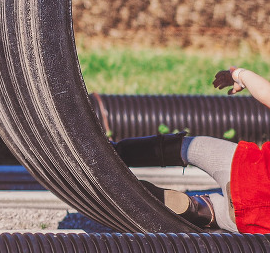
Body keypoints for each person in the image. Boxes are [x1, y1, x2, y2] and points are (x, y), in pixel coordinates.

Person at [113, 65, 270, 233]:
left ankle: (116, 153)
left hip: (245, 169)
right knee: (212, 212)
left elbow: (264, 91)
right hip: (253, 220)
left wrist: (240, 74)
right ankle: (195, 208)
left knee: (189, 147)